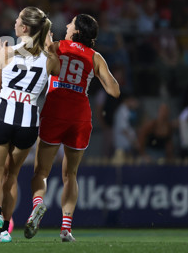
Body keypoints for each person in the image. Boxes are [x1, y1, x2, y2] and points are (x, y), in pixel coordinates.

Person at [27, 14, 120, 242]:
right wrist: (97, 70)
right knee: (71, 174)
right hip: (80, 116)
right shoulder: (95, 57)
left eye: (71, 23)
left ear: (77, 31)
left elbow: (47, 70)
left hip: (56, 111)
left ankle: (38, 206)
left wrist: (47, 47)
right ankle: (66, 228)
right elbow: (115, 91)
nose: (67, 25)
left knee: (41, 172)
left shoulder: (58, 46)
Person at [0, 7, 60, 243]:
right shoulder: (50, 59)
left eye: (18, 20)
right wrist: (49, 45)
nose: (14, 22)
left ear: (24, 28)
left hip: (2, 116)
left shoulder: (7, 52)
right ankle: (3, 230)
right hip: (28, 124)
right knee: (11, 176)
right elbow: (56, 74)